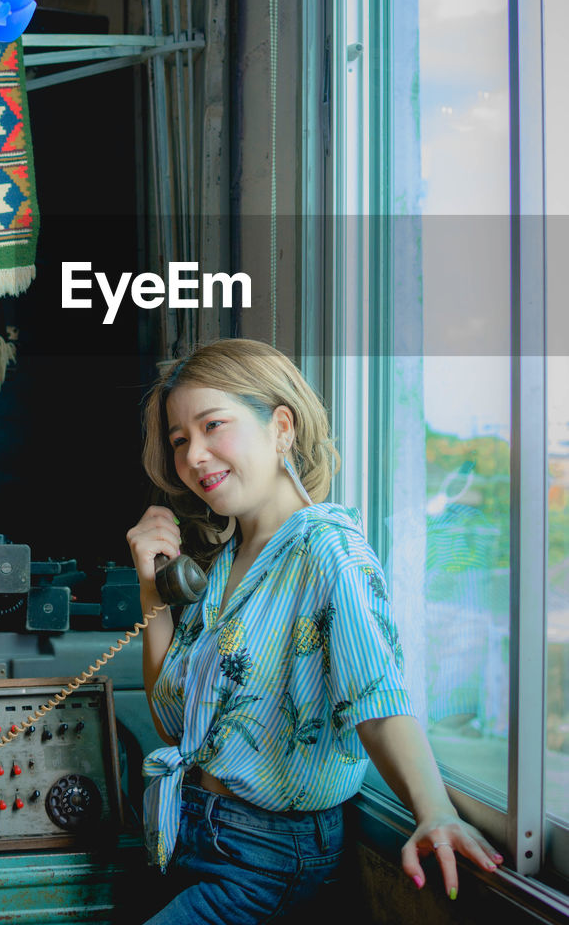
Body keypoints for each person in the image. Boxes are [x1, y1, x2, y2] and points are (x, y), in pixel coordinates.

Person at [126, 338, 503, 924]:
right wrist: (152, 589)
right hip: (193, 840)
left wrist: (433, 810)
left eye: (213, 426)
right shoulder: (226, 563)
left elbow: (375, 693)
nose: (195, 455)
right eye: (180, 440)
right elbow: (176, 722)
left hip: (268, 858)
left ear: (281, 427)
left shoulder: (327, 548)